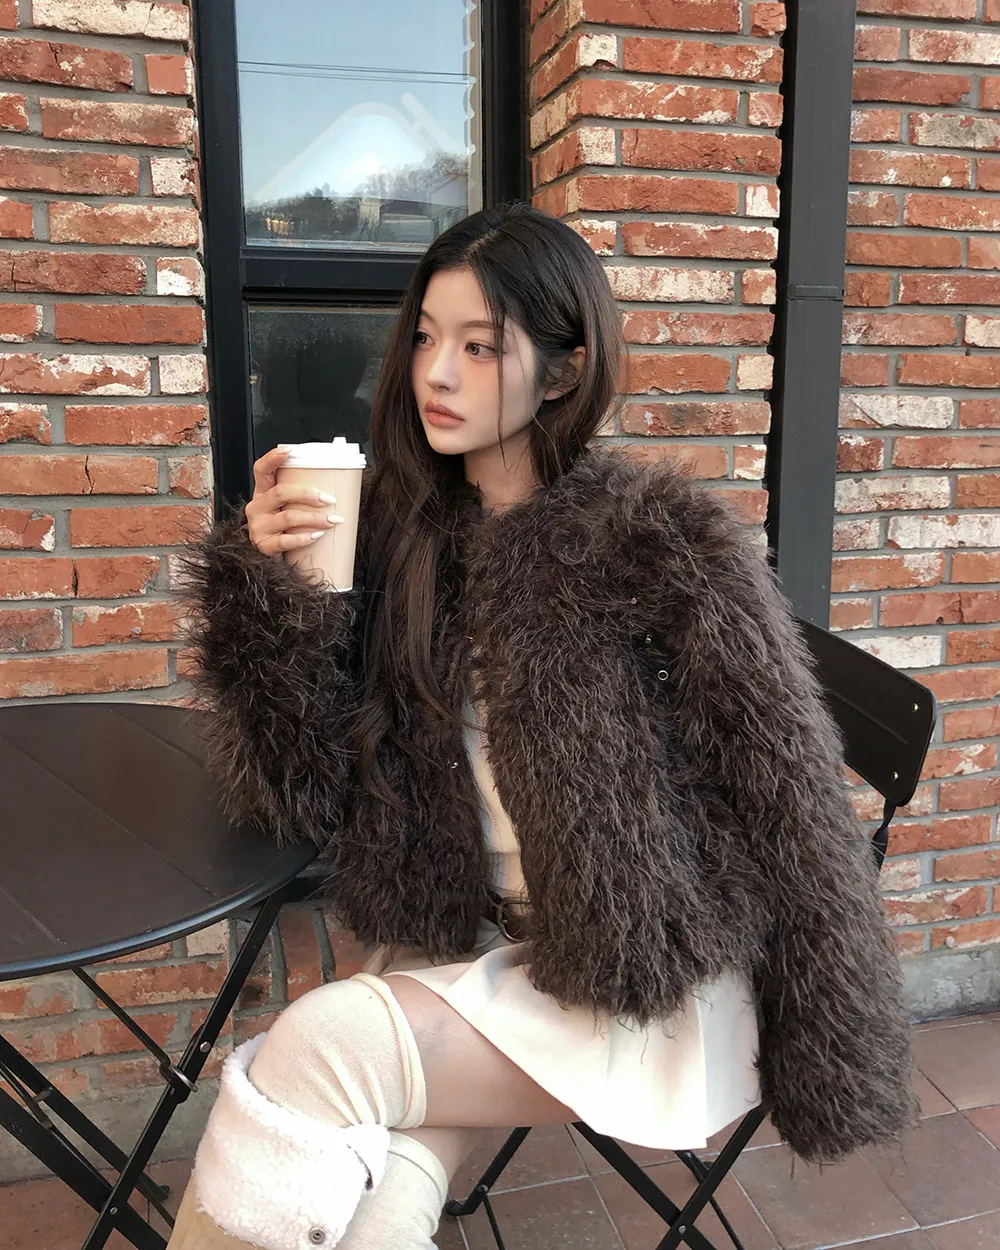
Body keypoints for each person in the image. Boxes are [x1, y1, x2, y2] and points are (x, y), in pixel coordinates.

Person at [168, 201, 917, 1250]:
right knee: (385, 1172)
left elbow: (791, 799)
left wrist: (832, 1047)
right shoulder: (404, 540)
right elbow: (297, 788)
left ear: (562, 373)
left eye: (481, 348)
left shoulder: (655, 541)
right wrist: (269, 593)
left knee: (320, 1046)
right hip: (472, 944)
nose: (436, 373)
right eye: (426, 337)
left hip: (639, 975)